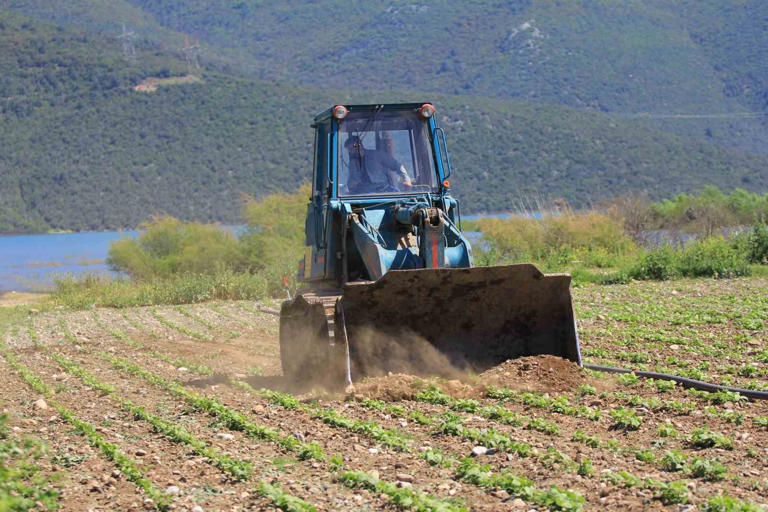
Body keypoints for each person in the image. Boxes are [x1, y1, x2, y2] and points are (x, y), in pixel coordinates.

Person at [343, 135, 412, 194]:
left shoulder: (377, 155)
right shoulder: (352, 164)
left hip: (383, 190)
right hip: (363, 193)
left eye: (350, 149)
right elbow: (351, 182)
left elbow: (396, 165)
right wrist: (351, 185)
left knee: (400, 199)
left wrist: (406, 179)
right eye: (348, 150)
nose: (350, 152)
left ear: (358, 146)